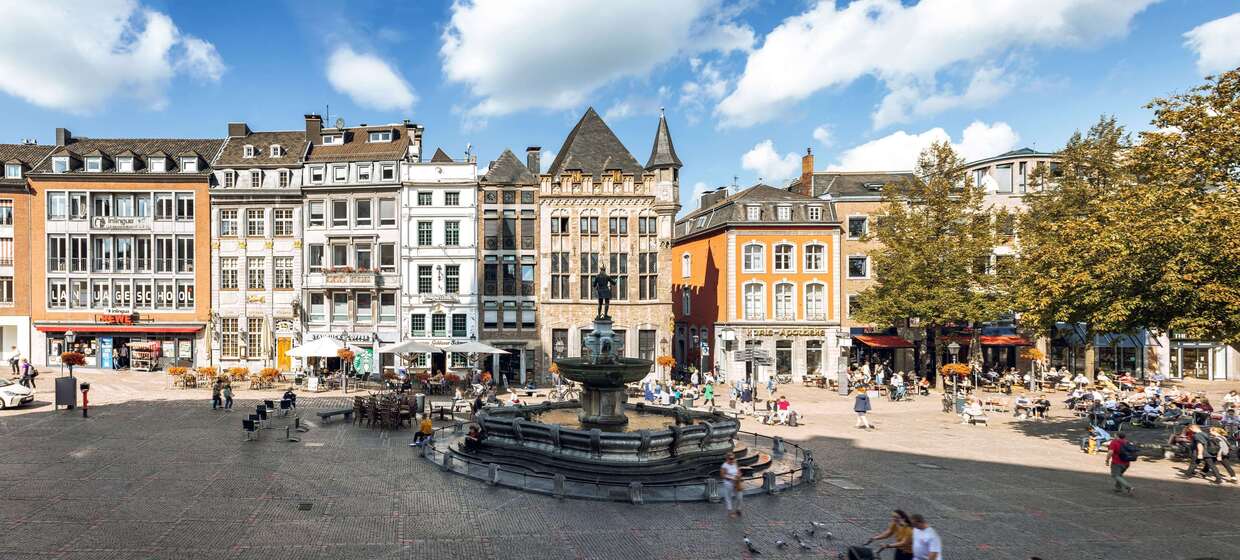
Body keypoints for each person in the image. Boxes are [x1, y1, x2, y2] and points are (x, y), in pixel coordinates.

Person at [719, 452, 742, 517]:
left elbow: (739, 471)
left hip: (737, 482)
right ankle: (730, 511)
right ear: (727, 459)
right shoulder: (724, 465)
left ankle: (738, 509)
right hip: (728, 483)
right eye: (730, 458)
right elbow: (722, 475)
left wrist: (739, 475)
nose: (732, 460)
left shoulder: (735, 463)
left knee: (740, 497)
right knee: (728, 497)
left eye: (733, 458)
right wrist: (731, 478)